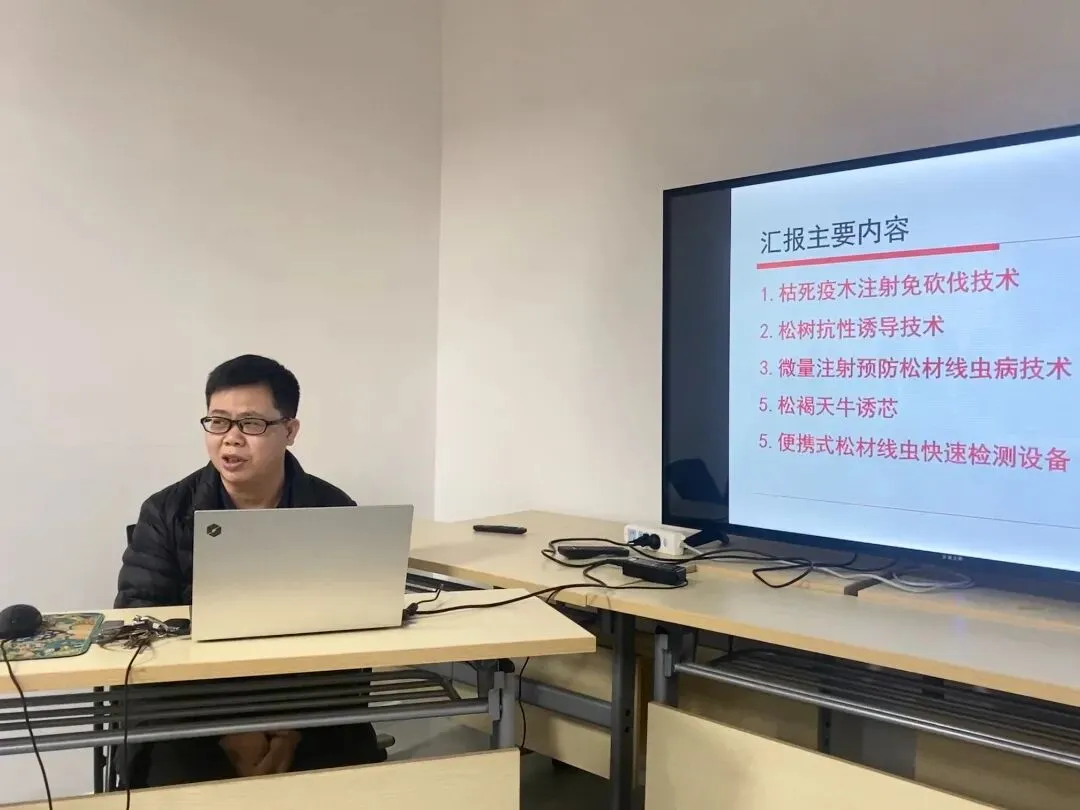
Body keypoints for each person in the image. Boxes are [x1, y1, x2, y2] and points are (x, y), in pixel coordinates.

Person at [115, 354, 383, 786]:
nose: (231, 439)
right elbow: (140, 630)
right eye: (218, 422)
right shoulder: (165, 513)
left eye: (251, 424)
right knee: (174, 773)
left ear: (290, 431)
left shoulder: (333, 510)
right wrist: (229, 729)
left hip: (309, 709)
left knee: (353, 772)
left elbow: (353, 636)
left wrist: (290, 729)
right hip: (191, 710)